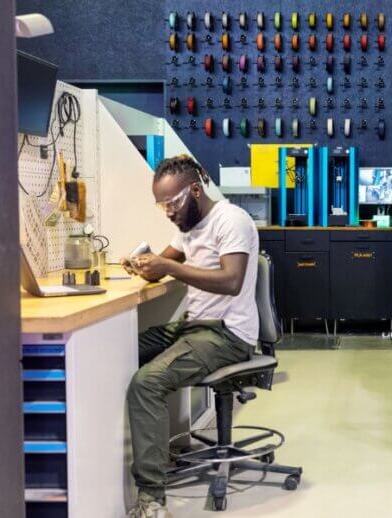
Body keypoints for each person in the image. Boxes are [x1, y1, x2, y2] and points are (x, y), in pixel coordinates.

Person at [123, 155, 259, 518]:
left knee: (146, 383)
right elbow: (162, 265)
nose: (167, 212)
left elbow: (231, 281)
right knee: (119, 353)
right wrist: (143, 264)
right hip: (194, 326)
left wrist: (168, 266)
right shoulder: (187, 225)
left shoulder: (231, 221)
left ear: (195, 191)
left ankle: (152, 499)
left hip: (228, 334)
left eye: (171, 203)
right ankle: (144, 452)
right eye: (161, 205)